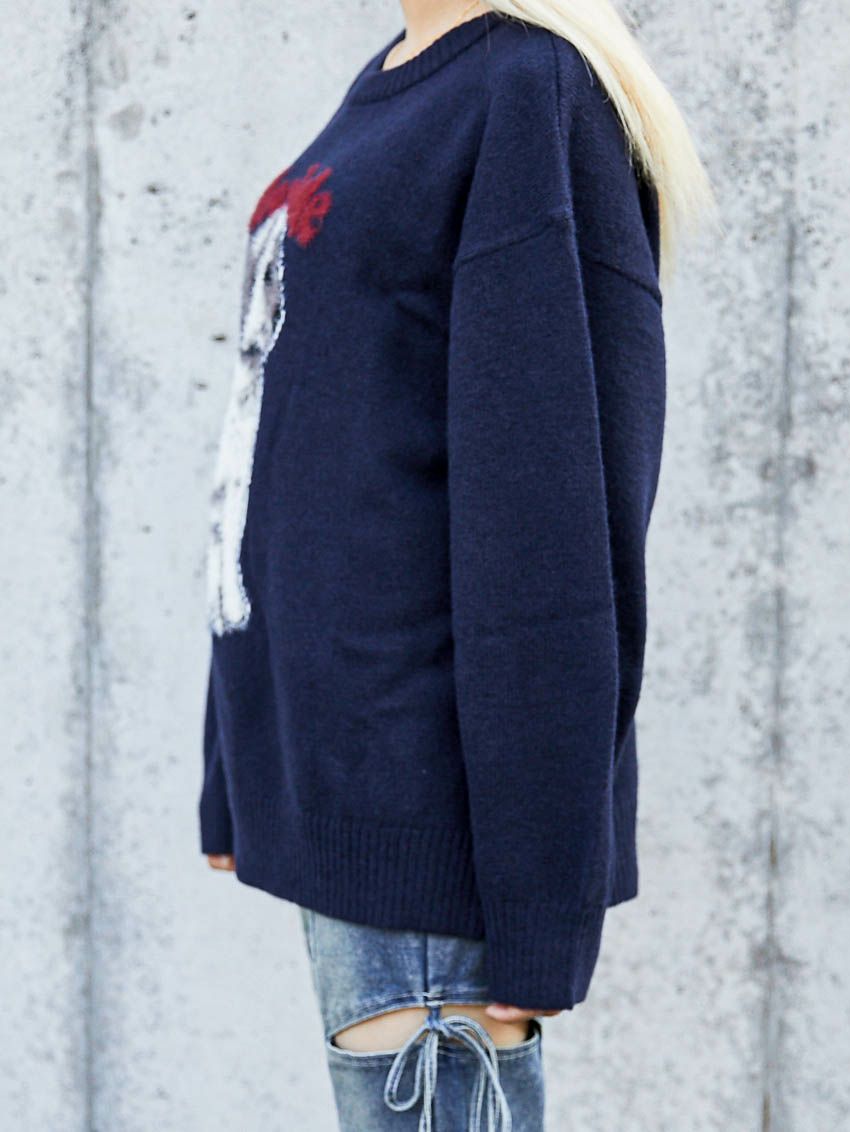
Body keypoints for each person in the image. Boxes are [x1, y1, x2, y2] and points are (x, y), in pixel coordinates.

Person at [198, 0, 716, 1127]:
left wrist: (540, 894)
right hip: (340, 777)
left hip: (426, 807)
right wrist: (236, 765)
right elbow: (285, 441)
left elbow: (551, 519)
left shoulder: (529, 87)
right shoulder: (393, 79)